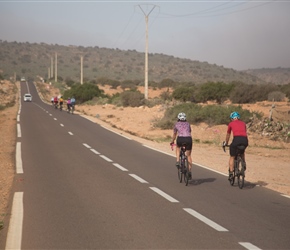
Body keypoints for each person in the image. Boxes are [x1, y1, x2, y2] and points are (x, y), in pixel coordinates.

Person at [224, 111, 248, 180]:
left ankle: (231, 173)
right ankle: (243, 163)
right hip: (245, 140)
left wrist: (226, 142)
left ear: (232, 118)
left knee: (232, 156)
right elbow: (244, 132)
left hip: (236, 139)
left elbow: (228, 134)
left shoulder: (231, 124)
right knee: (242, 151)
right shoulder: (243, 123)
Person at [170, 112, 193, 179]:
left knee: (177, 147)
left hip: (180, 139)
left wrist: (172, 141)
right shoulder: (188, 124)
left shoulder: (176, 124)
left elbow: (174, 134)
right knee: (188, 155)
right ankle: (189, 172)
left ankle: (177, 161)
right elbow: (189, 131)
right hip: (188, 139)